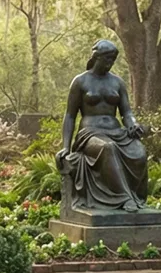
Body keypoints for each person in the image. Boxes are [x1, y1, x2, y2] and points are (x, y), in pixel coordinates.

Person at [58, 39, 151, 212]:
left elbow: (126, 113)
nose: (110, 63)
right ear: (96, 57)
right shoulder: (80, 81)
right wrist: (65, 147)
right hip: (89, 134)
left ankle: (137, 197)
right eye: (107, 59)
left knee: (139, 152)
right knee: (107, 148)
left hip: (116, 131)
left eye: (113, 60)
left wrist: (133, 125)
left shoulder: (117, 82)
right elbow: (70, 115)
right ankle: (124, 198)